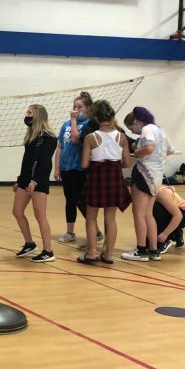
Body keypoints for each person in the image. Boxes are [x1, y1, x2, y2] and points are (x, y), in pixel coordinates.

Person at [77, 100, 131, 265]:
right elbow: (127, 163)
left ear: (95, 117)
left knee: (91, 217)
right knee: (110, 217)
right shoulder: (121, 136)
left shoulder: (90, 137)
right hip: (114, 177)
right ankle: (108, 255)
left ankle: (92, 253)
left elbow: (84, 164)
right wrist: (114, 166)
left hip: (96, 177)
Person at [121, 106, 173, 262]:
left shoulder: (147, 129)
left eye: (132, 128)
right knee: (148, 214)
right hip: (157, 175)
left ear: (137, 121)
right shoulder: (160, 130)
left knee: (138, 213)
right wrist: (157, 158)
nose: (133, 132)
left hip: (144, 174)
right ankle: (153, 250)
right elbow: (169, 150)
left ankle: (141, 250)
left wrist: (137, 152)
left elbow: (149, 148)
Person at [12, 104, 57, 262]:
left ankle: (48, 251)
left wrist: (35, 180)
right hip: (25, 179)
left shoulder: (49, 138)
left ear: (38, 116)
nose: (27, 115)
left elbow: (44, 162)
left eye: (30, 113)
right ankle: (29, 243)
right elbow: (27, 162)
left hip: (39, 180)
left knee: (40, 215)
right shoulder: (31, 136)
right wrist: (20, 180)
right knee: (17, 211)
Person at [54, 91, 93, 243]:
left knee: (83, 200)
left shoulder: (89, 125)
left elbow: (76, 140)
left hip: (80, 169)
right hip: (66, 168)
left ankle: (94, 231)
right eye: (74, 106)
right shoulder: (66, 124)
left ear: (88, 109)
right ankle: (70, 233)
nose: (75, 109)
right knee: (70, 199)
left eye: (79, 107)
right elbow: (60, 147)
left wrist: (73, 120)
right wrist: (57, 168)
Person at [154, 184, 185, 252]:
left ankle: (167, 239)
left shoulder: (160, 193)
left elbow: (178, 215)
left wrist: (165, 234)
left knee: (155, 209)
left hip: (183, 214)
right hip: (177, 213)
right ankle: (177, 233)